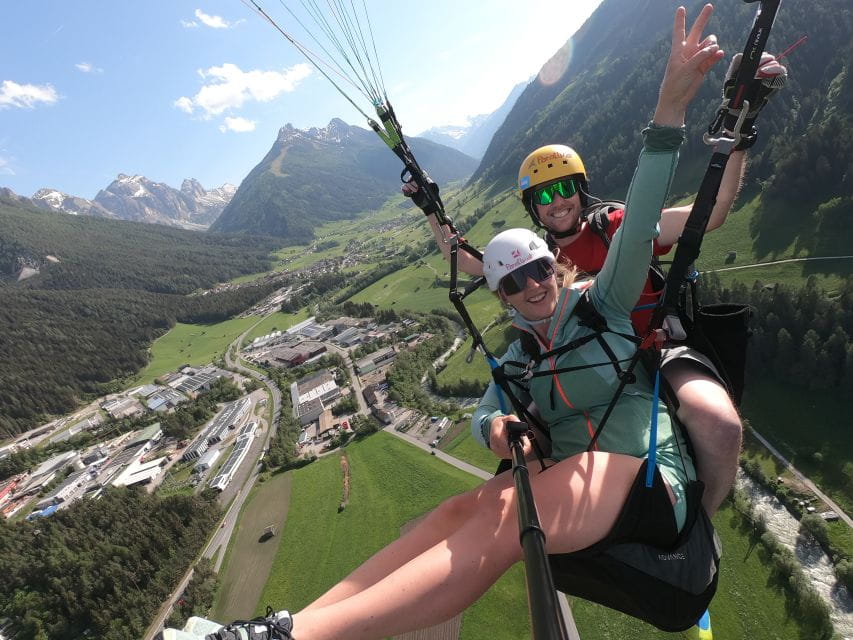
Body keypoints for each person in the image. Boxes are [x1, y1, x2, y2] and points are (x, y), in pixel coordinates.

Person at [195, 7, 724, 640]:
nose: (529, 286)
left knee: (507, 520)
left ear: (557, 269)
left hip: (644, 476)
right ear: (499, 295)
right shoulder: (520, 362)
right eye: (512, 282)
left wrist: (667, 115)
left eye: (536, 271)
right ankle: (280, 625)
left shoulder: (604, 306)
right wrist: (499, 431)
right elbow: (485, 412)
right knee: (454, 512)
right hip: (578, 489)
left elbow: (638, 224)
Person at [407, 47, 786, 517]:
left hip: (655, 348)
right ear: (533, 209)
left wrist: (738, 137)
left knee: (719, 426)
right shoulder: (537, 260)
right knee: (526, 441)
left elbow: (709, 215)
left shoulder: (617, 227)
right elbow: (463, 260)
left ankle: (698, 524)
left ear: (581, 188)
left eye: (565, 186)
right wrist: (429, 209)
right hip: (582, 358)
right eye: (544, 195)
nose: (557, 200)